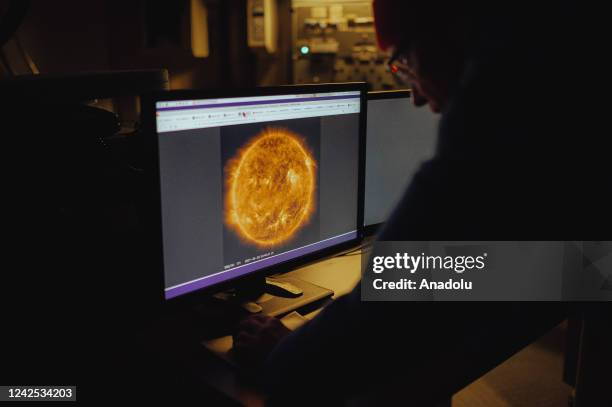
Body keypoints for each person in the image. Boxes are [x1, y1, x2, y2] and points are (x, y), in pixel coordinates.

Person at [232, 1, 606, 404]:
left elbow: (388, 300)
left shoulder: (498, 96)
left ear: (442, 36)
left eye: (403, 61)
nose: (412, 96)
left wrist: (285, 358)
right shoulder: (561, 55)